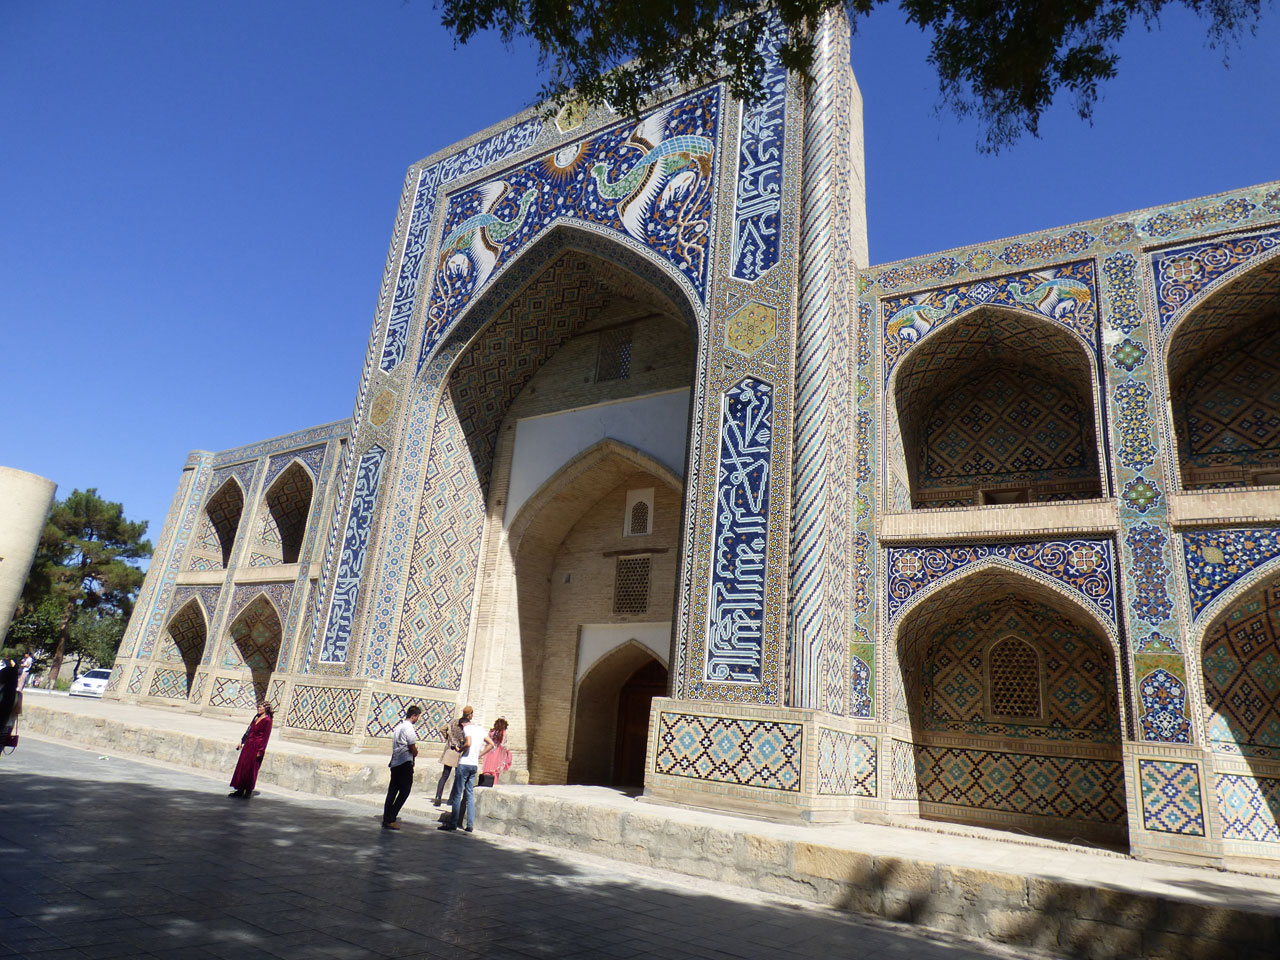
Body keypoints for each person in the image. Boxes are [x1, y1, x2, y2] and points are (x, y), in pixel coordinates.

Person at [439, 705, 483, 833]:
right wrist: (479, 754)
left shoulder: (457, 724)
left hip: (456, 755)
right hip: (472, 763)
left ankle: (452, 821)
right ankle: (469, 825)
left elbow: (466, 742)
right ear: (471, 715)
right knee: (469, 793)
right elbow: (488, 743)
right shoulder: (476, 729)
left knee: (447, 777)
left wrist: (451, 743)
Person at [382, 704, 421, 830]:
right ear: (414, 716)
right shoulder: (409, 729)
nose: (418, 719)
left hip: (395, 762)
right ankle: (391, 817)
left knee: (392, 791)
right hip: (404, 762)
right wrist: (415, 753)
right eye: (418, 716)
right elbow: (412, 746)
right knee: (405, 791)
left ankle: (386, 817)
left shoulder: (399, 727)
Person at [229, 702, 274, 798]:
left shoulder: (268, 721)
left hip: (257, 746)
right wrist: (242, 741)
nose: (258, 708)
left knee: (251, 768)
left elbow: (266, 737)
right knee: (243, 766)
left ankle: (248, 790)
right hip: (248, 745)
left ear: (265, 709)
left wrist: (261, 751)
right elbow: (249, 730)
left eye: (260, 707)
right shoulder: (256, 717)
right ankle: (239, 789)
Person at [434, 706, 470, 806]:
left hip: (450, 750)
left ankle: (438, 796)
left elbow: (442, 729)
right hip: (459, 752)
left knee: (445, 775)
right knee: (457, 777)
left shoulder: (453, 722)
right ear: (469, 714)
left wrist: (448, 740)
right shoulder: (467, 725)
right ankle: (451, 799)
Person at [480, 717, 512, 785]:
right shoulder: (503, 732)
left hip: (489, 751)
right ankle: (494, 784)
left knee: (487, 769)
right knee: (495, 771)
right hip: (498, 752)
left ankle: (485, 783)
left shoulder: (491, 731)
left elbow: (487, 741)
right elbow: (503, 743)